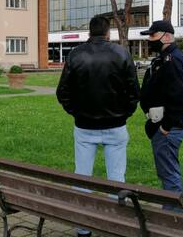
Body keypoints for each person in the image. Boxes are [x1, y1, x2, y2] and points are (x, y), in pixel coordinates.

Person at [56, 15, 140, 237]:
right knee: (116, 177)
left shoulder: (76, 54)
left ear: (89, 32)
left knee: (82, 175)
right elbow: (134, 92)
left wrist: (76, 112)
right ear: (108, 32)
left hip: (84, 127)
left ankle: (83, 228)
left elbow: (62, 92)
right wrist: (124, 114)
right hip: (115, 125)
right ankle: (115, 223)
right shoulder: (121, 53)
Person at [140, 20, 183, 212]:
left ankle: (173, 220)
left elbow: (179, 97)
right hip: (160, 125)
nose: (150, 40)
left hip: (168, 127)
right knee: (167, 172)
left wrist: (165, 127)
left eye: (153, 36)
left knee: (169, 174)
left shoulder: (172, 60)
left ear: (167, 36)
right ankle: (171, 214)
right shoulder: (163, 59)